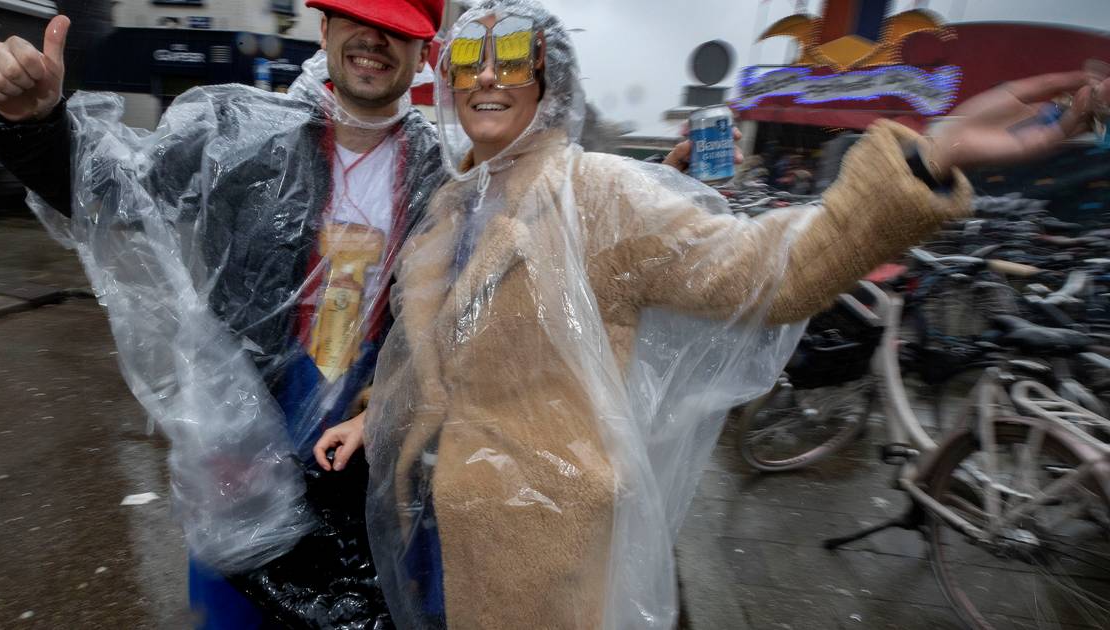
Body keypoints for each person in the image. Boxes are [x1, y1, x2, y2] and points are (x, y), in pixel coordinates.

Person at [316, 1, 1108, 628]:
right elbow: (442, 351)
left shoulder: (600, 195)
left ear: (549, 80)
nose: (487, 78)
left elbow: (771, 269)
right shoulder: (455, 204)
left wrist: (934, 153)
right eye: (467, 62)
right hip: (435, 509)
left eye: (513, 59)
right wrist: (377, 415)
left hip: (541, 538)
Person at [0, 1, 448, 627]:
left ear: (422, 52)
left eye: (398, 29)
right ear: (325, 28)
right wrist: (32, 123)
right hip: (244, 451)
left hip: (369, 461)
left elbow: (456, 331)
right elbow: (110, 192)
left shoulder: (444, 177)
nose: (375, 41)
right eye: (358, 17)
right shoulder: (238, 128)